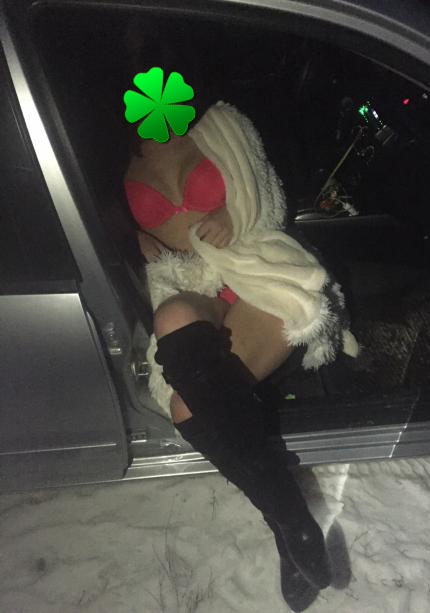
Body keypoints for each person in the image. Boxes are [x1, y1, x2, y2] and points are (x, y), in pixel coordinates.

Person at [124, 102, 334, 612]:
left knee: (187, 408)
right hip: (194, 284)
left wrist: (232, 214)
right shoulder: (114, 153)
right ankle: (290, 514)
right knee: (173, 316)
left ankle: (286, 528)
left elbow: (269, 194)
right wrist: (135, 238)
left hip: (258, 272)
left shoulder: (221, 124)